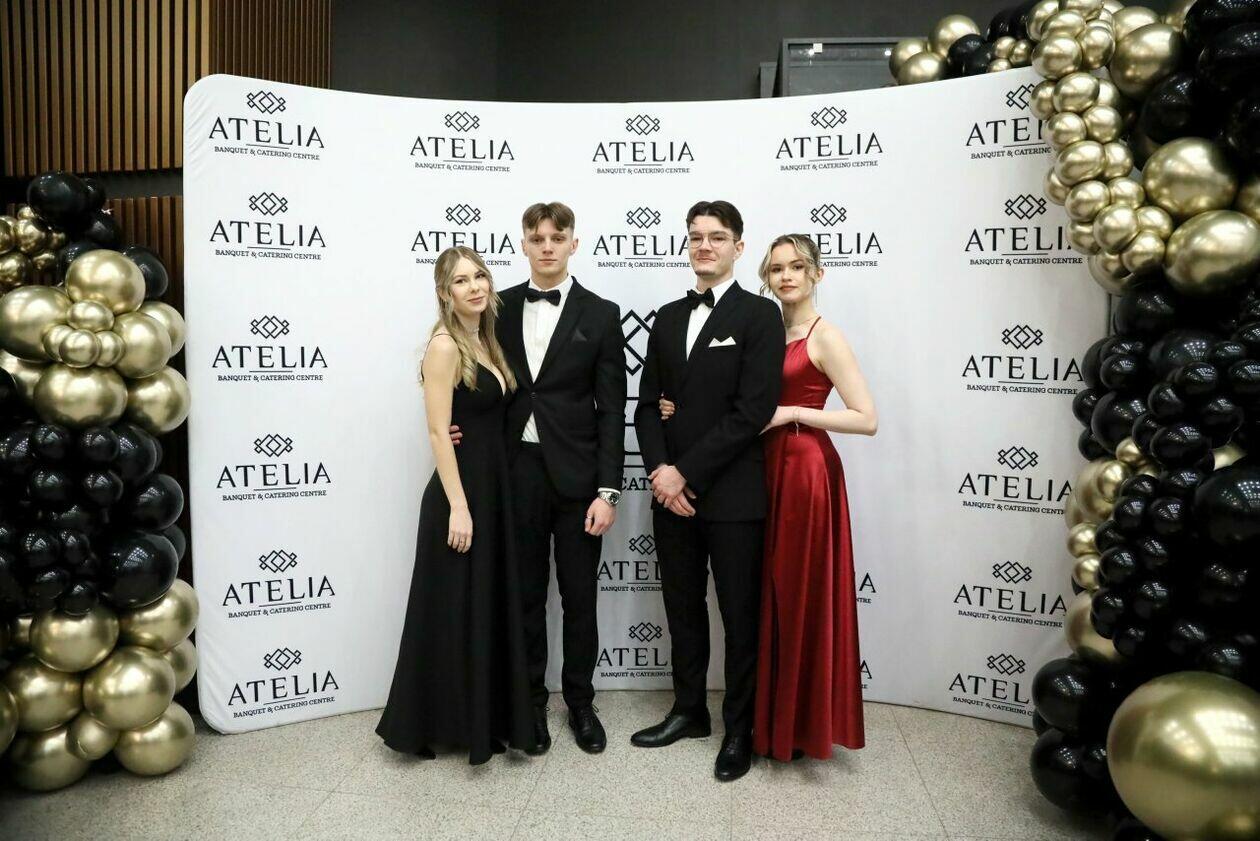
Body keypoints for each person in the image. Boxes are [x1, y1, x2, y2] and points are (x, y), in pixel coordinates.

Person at [663, 234, 876, 760]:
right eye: (777, 269)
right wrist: (676, 408)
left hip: (803, 471)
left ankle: (799, 724)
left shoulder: (825, 337)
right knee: (766, 599)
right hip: (755, 470)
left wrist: (792, 413)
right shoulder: (759, 327)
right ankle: (767, 718)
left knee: (796, 594)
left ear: (817, 274)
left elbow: (866, 418)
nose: (786, 277)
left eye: (797, 267)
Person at [452, 202, 626, 754]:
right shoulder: (495, 309)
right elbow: (463, 371)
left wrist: (608, 490)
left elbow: (612, 410)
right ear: (523, 244)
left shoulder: (602, 314)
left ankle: (580, 703)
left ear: (574, 243)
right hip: (514, 474)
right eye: (537, 237)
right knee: (524, 596)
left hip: (580, 481)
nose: (547, 246)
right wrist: (456, 426)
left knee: (580, 599)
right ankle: (529, 704)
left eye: (557, 236)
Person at [631, 200, 785, 782]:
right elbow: (647, 406)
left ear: (738, 247)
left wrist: (684, 473)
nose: (704, 246)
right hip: (670, 494)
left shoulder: (760, 315)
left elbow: (752, 411)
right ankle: (688, 711)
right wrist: (659, 471)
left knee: (740, 618)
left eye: (716, 237)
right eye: (695, 236)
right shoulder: (669, 317)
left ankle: (739, 729)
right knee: (682, 608)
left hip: (733, 495)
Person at [376, 246, 536, 765]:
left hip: (493, 492)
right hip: (460, 496)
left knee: (479, 609)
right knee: (447, 614)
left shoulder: (485, 340)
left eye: (480, 276)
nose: (475, 287)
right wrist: (458, 508)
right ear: (445, 293)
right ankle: (432, 723)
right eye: (461, 281)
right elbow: (437, 432)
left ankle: (480, 719)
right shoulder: (445, 346)